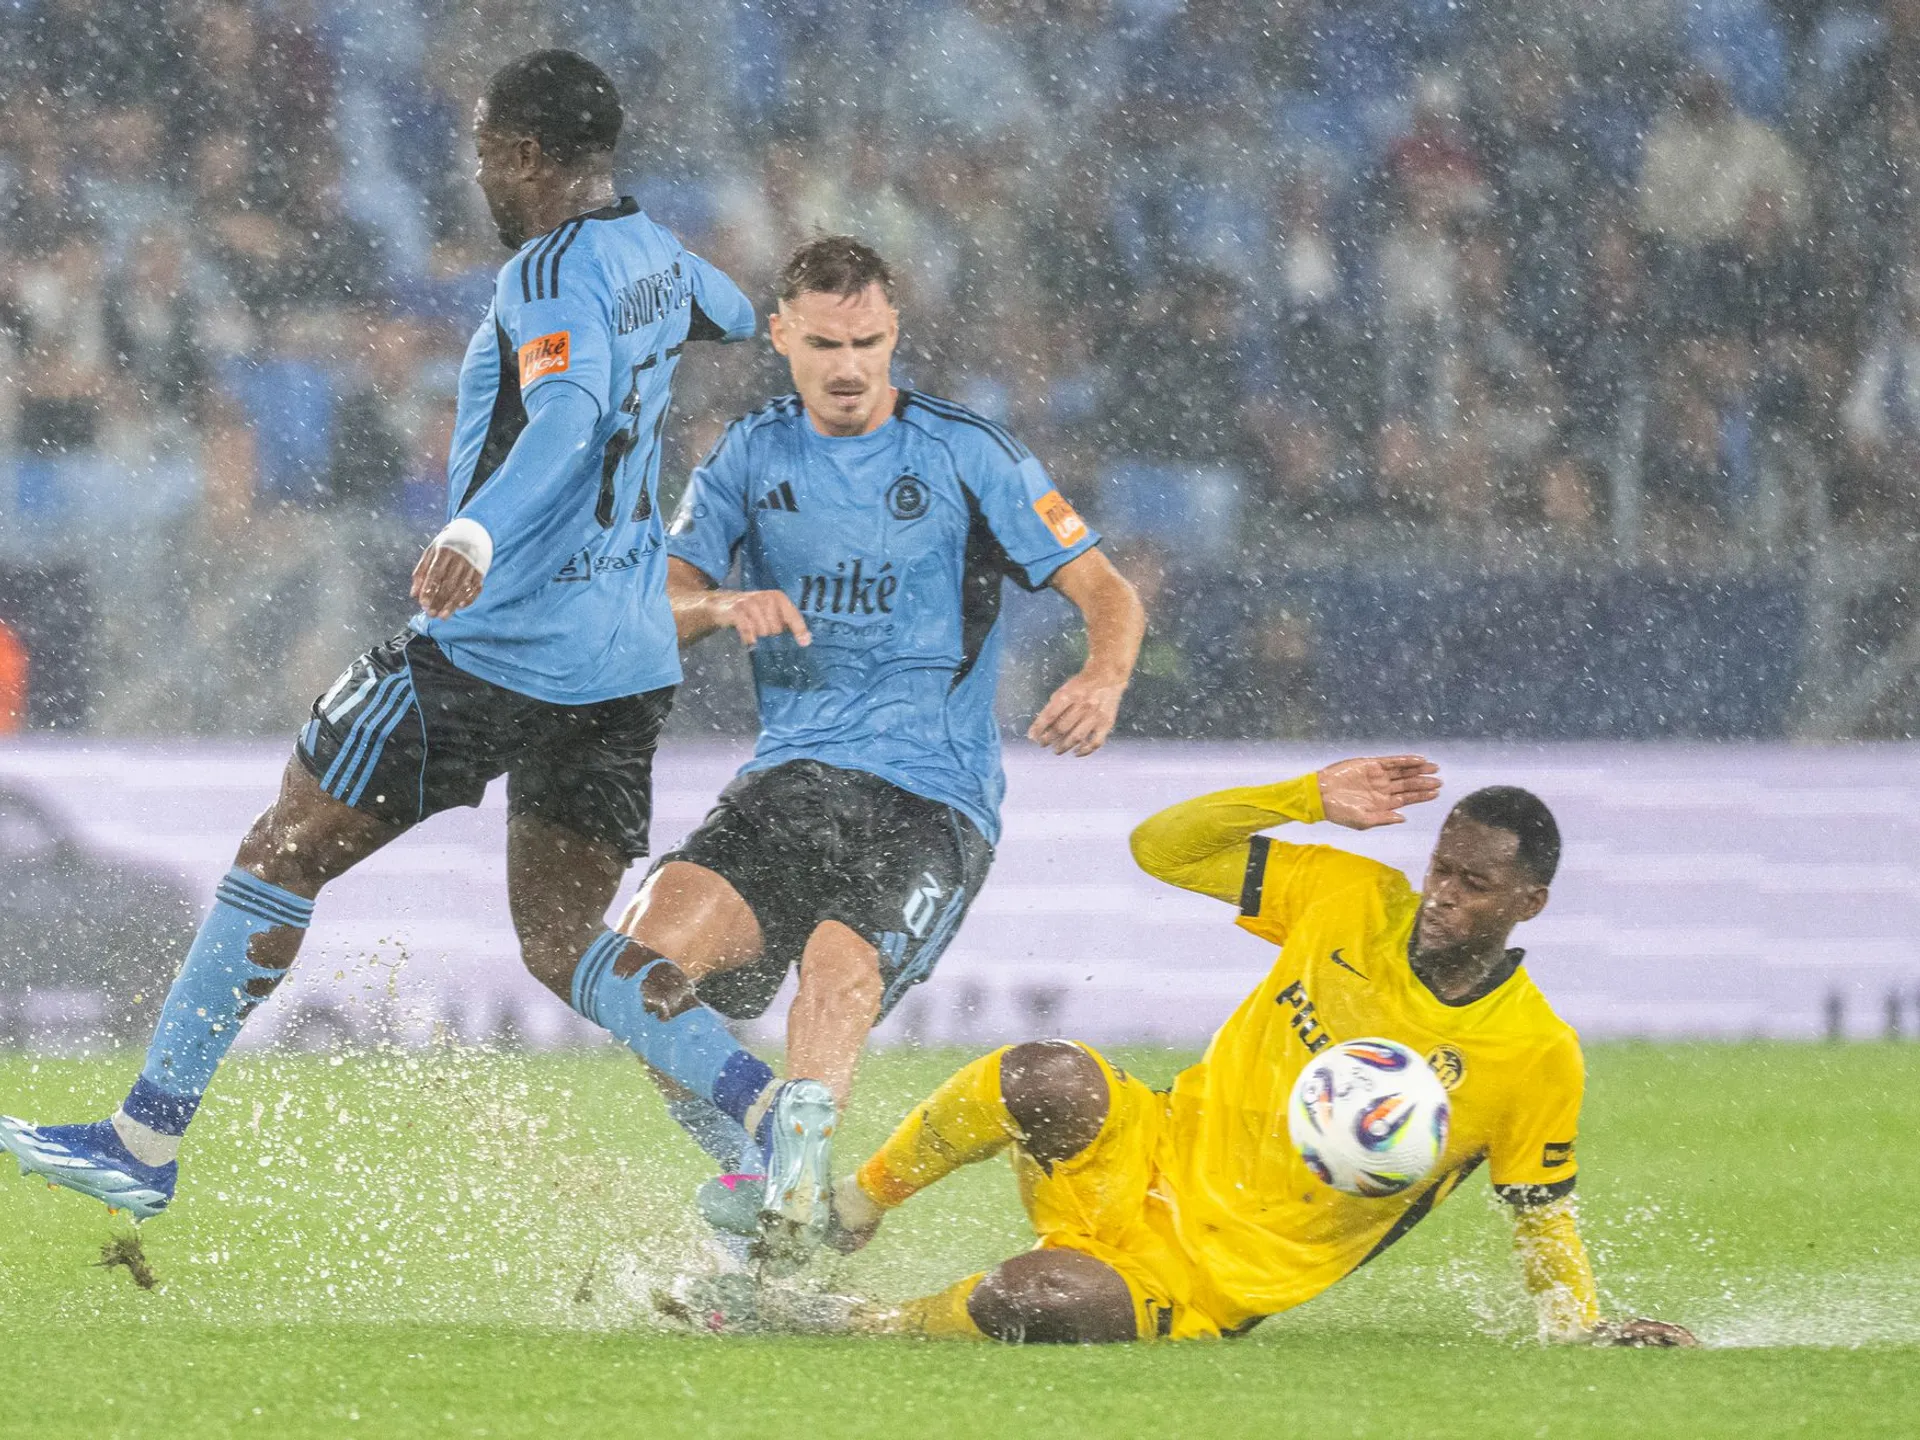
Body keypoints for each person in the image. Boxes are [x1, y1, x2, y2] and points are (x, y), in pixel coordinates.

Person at [0, 50, 828, 1221]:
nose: (477, 171)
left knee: (283, 848)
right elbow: (738, 313)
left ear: (529, 155)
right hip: (624, 661)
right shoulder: (651, 248)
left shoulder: (548, 272)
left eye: (487, 149)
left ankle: (142, 1143)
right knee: (565, 943)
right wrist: (678, 302)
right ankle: (764, 1118)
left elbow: (570, 415)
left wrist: (477, 529)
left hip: (497, 650)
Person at [592, 235, 1144, 1249]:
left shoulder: (967, 453)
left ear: (894, 334)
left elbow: (1105, 588)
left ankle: (783, 1222)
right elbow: (655, 607)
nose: (848, 368)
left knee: (837, 971)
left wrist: (1102, 675)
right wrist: (719, 605)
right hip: (790, 779)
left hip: (932, 795)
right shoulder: (748, 455)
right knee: (636, 971)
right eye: (824, 344)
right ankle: (767, 1169)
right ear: (780, 337)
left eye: (868, 343)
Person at [785, 756, 1696, 1346]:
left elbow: (1541, 1214)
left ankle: (857, 1323)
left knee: (1040, 1297)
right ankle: (848, 1208)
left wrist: (1576, 1329)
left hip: (1205, 1279)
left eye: (1475, 884)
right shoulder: (1351, 896)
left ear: (1529, 904)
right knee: (1042, 1070)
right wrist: (1306, 798)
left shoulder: (1534, 1052)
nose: (1443, 895)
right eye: (1441, 869)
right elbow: (1160, 849)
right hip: (1147, 1149)